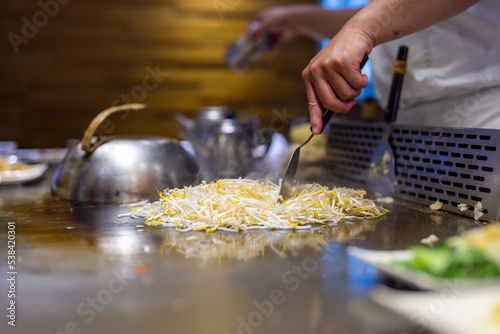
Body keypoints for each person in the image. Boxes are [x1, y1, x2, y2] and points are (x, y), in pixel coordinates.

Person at [251, 0, 500, 132]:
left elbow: (373, 21)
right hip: (406, 120)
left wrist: (362, 29)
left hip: (484, 111)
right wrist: (294, 19)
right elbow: (392, 11)